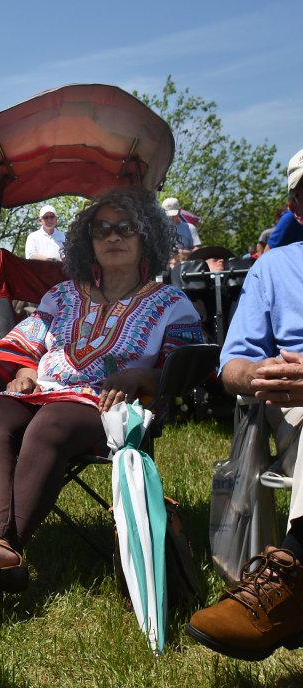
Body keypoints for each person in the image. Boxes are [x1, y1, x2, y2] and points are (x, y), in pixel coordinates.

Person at [0, 187, 202, 601]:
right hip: (43, 391)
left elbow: (183, 371)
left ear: (146, 235)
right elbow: (29, 344)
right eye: (102, 229)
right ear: (88, 242)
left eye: (125, 228)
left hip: (112, 408)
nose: (113, 236)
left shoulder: (171, 302)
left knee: (52, 422)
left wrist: (138, 378)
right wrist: (24, 371)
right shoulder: (62, 295)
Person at [186, 147, 303, 661]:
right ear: (296, 206)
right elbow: (231, 364)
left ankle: (292, 578)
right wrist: (257, 374)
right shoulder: (273, 268)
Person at [162, 196, 201, 261]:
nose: (171, 217)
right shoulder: (160, 228)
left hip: (184, 265)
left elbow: (197, 249)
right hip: (164, 266)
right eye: (168, 215)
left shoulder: (190, 227)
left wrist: (182, 252)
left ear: (179, 211)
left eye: (173, 215)